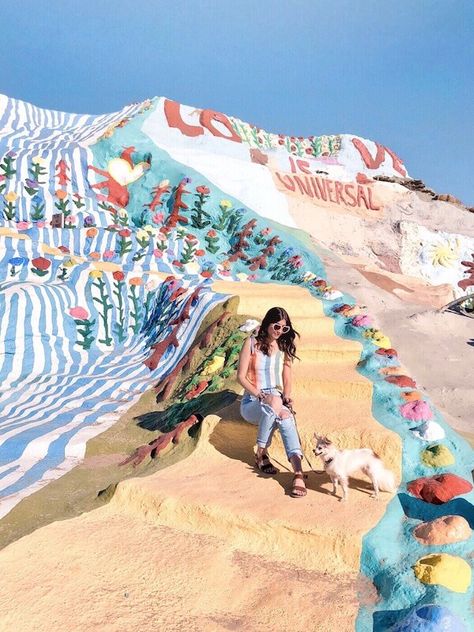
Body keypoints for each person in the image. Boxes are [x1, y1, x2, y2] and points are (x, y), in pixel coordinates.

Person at [237, 306, 307, 498]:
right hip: (252, 402)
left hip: (274, 399)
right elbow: (241, 377)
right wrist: (261, 395)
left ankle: (298, 472)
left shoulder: (283, 346)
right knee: (274, 403)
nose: (279, 331)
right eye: (276, 326)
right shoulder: (251, 343)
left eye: (284, 329)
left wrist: (287, 394)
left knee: (286, 417)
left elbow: (287, 374)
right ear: (268, 324)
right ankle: (260, 453)